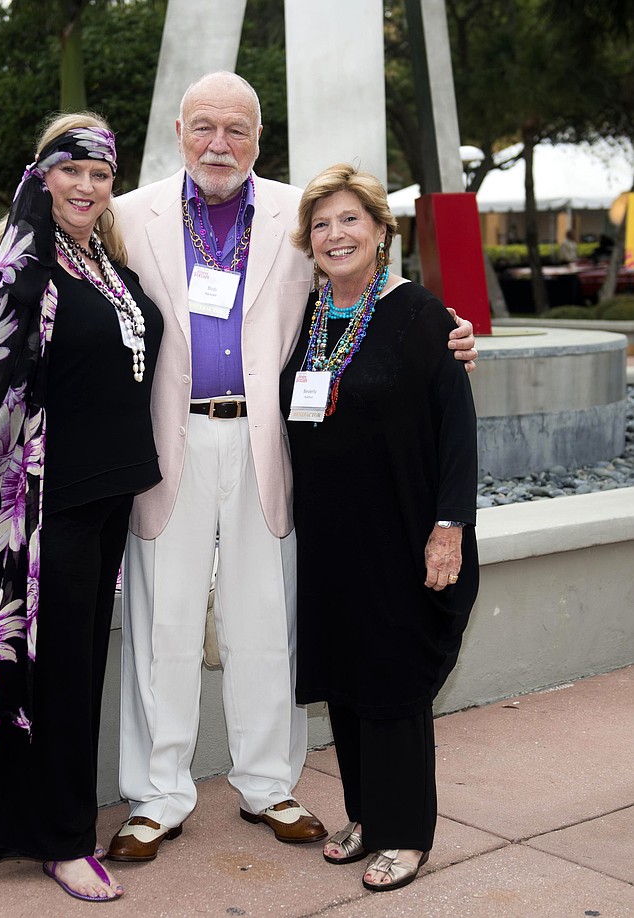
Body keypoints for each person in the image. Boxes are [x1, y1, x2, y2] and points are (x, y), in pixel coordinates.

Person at [107, 71, 478, 863]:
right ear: (179, 131)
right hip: (169, 444)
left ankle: (268, 784)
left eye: (236, 130)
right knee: (160, 623)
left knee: (265, 622)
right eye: (204, 126)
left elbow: (366, 288)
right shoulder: (129, 215)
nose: (219, 144)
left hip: (269, 443)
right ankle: (156, 795)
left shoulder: (295, 216)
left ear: (259, 139)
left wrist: (450, 331)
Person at [0, 112, 164, 902]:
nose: (87, 185)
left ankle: (14, 823)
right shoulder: (21, 265)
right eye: (72, 170)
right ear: (43, 175)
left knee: (66, 669)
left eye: (101, 174)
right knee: (62, 676)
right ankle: (64, 841)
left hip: (105, 496)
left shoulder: (101, 256)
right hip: (47, 502)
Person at [279, 163, 480, 893]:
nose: (335, 235)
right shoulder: (307, 317)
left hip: (403, 529)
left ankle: (406, 833)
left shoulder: (423, 315)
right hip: (331, 536)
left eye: (350, 220)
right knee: (347, 676)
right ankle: (364, 814)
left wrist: (448, 527)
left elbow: (457, 431)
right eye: (322, 224)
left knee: (393, 680)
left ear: (381, 232)